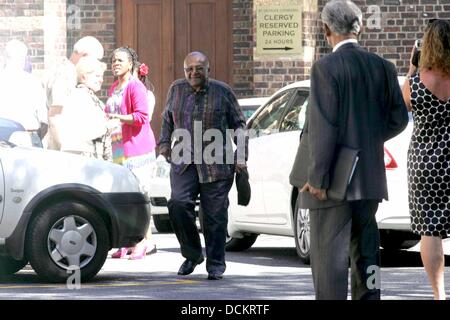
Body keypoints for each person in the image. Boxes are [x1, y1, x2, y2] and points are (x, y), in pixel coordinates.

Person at [289, 0, 409, 300]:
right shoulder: (384, 67)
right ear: (361, 26)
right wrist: (369, 140)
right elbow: (397, 119)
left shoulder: (325, 68)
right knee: (368, 257)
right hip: (369, 181)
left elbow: (323, 128)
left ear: (326, 29)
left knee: (329, 265)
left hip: (333, 186)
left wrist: (317, 179)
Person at [158, 51, 247, 280]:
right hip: (183, 160)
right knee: (178, 203)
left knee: (215, 216)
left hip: (217, 162)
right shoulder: (176, 89)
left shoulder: (222, 91)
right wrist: (165, 144)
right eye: (189, 69)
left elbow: (239, 125)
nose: (193, 73)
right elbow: (167, 118)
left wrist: (241, 157)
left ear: (208, 70)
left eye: (198, 68)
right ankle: (192, 253)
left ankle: (216, 264)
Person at [401, 19, 450, 300]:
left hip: (425, 163)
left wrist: (412, 68)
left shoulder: (416, 82)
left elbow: (399, 107)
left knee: (430, 230)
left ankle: (439, 295)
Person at [106, 47, 157, 260]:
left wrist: (117, 117)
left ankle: (145, 240)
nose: (115, 63)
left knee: (139, 195)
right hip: (118, 148)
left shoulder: (135, 87)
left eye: (120, 60)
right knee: (123, 195)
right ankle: (127, 240)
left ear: (130, 64)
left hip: (138, 149)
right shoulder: (113, 88)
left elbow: (142, 117)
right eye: (113, 60)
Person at [44, 36, 104, 150]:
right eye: (94, 60)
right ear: (83, 55)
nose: (95, 65)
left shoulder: (68, 73)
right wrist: (63, 148)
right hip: (66, 151)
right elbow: (55, 114)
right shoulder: (64, 76)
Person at [58, 56, 111, 160]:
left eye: (102, 76)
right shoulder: (79, 97)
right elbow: (85, 130)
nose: (101, 80)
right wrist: (108, 126)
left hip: (89, 155)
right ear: (83, 77)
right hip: (82, 158)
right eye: (97, 76)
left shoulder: (88, 96)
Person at [0, 39, 47, 147]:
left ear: (4, 57)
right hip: (27, 138)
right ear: (24, 58)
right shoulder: (33, 82)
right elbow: (44, 122)